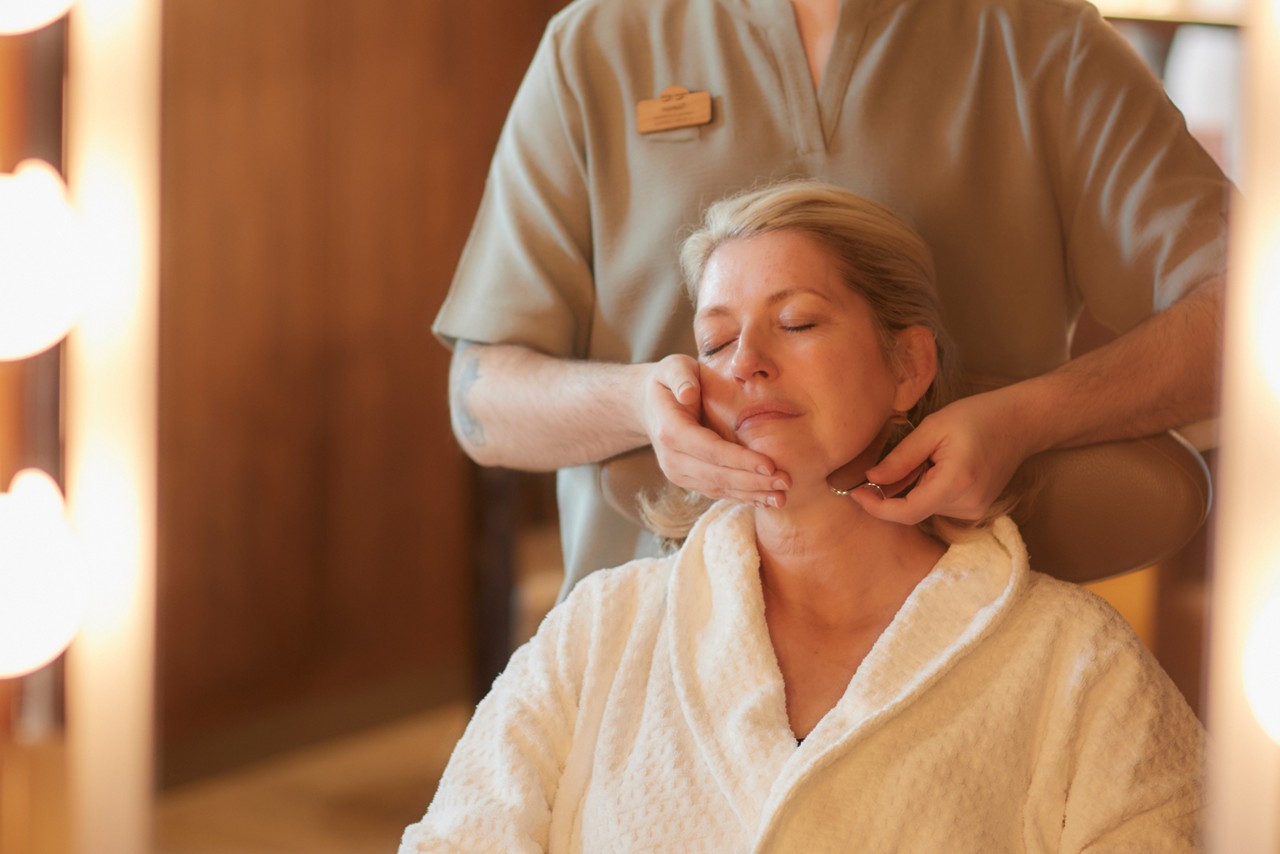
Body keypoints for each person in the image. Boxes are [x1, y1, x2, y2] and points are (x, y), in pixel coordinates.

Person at [401, 183, 1204, 852]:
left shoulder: (1076, 664)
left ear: (908, 366)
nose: (745, 359)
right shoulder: (599, 634)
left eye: (797, 322)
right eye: (715, 341)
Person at [436, 0, 1230, 596]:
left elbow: (1251, 312)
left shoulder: (1038, 41)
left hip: (965, 641)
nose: (748, 361)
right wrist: (639, 402)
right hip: (663, 659)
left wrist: (1025, 419)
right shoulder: (598, 47)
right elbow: (482, 401)